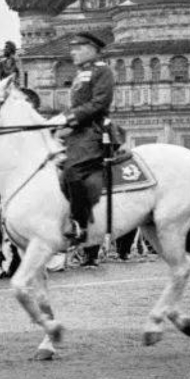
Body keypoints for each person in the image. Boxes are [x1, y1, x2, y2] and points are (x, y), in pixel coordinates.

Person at [46, 32, 116, 245]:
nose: (73, 52)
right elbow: (77, 104)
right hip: (75, 131)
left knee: (72, 169)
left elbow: (99, 104)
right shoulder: (81, 74)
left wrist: (69, 117)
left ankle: (80, 223)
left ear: (93, 49)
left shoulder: (103, 71)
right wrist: (58, 120)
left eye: (78, 48)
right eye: (72, 48)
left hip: (92, 131)